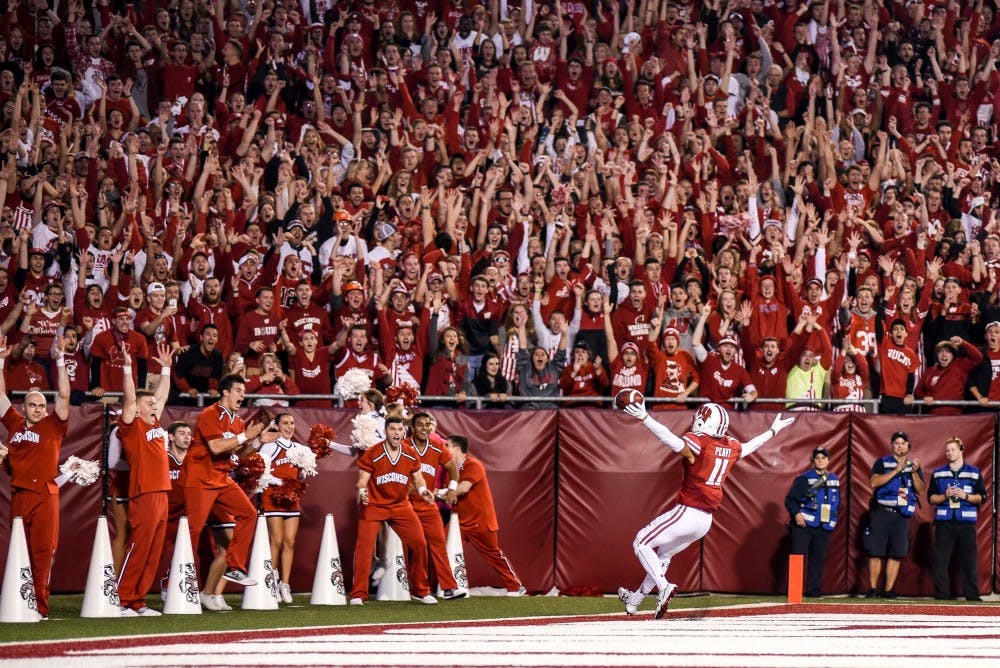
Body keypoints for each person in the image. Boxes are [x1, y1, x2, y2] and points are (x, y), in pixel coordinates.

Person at [617, 401, 794, 618]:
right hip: (705, 522)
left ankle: (664, 587)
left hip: (688, 510)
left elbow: (671, 441)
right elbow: (749, 447)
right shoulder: (730, 445)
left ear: (703, 420)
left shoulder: (699, 441)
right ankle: (635, 600)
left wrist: (645, 418)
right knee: (663, 555)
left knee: (641, 541)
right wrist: (772, 431)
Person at [182, 373, 280, 587]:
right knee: (193, 531)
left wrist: (257, 442)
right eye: (238, 390)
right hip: (200, 479)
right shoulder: (209, 414)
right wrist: (247, 436)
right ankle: (176, 578)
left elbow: (237, 455)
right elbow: (216, 447)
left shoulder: (238, 421)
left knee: (249, 514)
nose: (242, 395)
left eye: (244, 392)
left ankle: (236, 567)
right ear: (225, 392)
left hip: (221, 479)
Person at [0, 333, 71, 620]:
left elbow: (64, 395)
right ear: (24, 407)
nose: (39, 409)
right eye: (33, 405)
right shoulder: (15, 423)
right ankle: (17, 600)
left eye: (42, 405)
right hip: (19, 495)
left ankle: (40, 606)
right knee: (19, 550)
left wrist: (60, 360)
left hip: (45, 495)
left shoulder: (54, 425)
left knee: (43, 552)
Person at [350, 415, 438, 606]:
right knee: (364, 548)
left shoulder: (409, 454)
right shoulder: (373, 452)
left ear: (404, 432)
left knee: (419, 543)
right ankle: (358, 593)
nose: (396, 433)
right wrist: (363, 492)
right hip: (374, 505)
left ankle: (421, 590)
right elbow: (362, 480)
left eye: (399, 430)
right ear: (385, 432)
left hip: (400, 506)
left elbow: (419, 478)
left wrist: (423, 491)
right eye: (392, 429)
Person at [115, 343, 174, 616]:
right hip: (144, 492)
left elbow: (160, 396)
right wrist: (127, 367)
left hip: (162, 491)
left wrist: (166, 369)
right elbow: (129, 399)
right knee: (139, 547)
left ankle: (138, 600)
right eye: (147, 403)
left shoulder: (154, 424)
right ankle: (123, 598)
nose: (154, 404)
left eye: (153, 403)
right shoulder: (132, 426)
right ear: (136, 409)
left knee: (154, 550)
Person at [445, 434, 526, 597]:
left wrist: (441, 493)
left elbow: (464, 488)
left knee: (494, 555)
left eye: (447, 445)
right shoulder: (452, 468)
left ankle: (515, 586)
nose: (444, 448)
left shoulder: (473, 465)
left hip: (479, 522)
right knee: (440, 548)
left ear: (457, 449)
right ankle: (444, 587)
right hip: (458, 520)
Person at [403, 412, 466, 600]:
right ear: (412, 428)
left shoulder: (437, 446)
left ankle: (449, 588)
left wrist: (453, 488)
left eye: (427, 424)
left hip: (428, 503)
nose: (424, 428)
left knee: (438, 542)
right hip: (406, 504)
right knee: (418, 547)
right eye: (420, 424)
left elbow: (453, 467)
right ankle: (419, 589)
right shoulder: (404, 446)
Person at [866, 431, 926, 598]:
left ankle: (888, 590)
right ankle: (872, 589)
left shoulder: (913, 465)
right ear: (892, 445)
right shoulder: (882, 462)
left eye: (903, 442)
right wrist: (896, 470)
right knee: (876, 551)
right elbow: (874, 482)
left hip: (901, 514)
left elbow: (921, 490)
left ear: (908, 446)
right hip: (882, 511)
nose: (900, 445)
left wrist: (913, 472)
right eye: (897, 442)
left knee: (896, 552)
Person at [927, 437, 986, 601]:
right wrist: (945, 496)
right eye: (947, 450)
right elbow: (931, 498)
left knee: (969, 562)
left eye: (952, 449)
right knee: (940, 561)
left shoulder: (974, 472)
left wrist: (965, 496)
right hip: (944, 523)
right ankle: (942, 596)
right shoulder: (938, 472)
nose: (949, 453)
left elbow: (982, 497)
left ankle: (972, 596)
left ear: (961, 450)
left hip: (966, 523)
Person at [258, 413, 308, 604]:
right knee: (276, 541)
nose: (289, 426)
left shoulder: (299, 448)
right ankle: (272, 580)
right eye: (285, 423)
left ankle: (284, 584)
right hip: (273, 498)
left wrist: (302, 475)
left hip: (292, 500)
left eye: (292, 423)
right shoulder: (269, 446)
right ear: (277, 426)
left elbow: (301, 476)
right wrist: (280, 482)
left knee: (290, 542)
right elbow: (260, 471)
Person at [784, 447, 841, 598]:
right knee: (798, 557)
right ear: (813, 461)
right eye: (817, 458)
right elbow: (790, 500)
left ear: (829, 461)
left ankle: (813, 591)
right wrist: (796, 515)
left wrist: (832, 520)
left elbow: (836, 503)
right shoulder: (804, 478)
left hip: (823, 525)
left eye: (823, 458)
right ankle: (794, 591)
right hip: (804, 525)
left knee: (818, 559)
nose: (821, 460)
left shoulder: (835, 479)